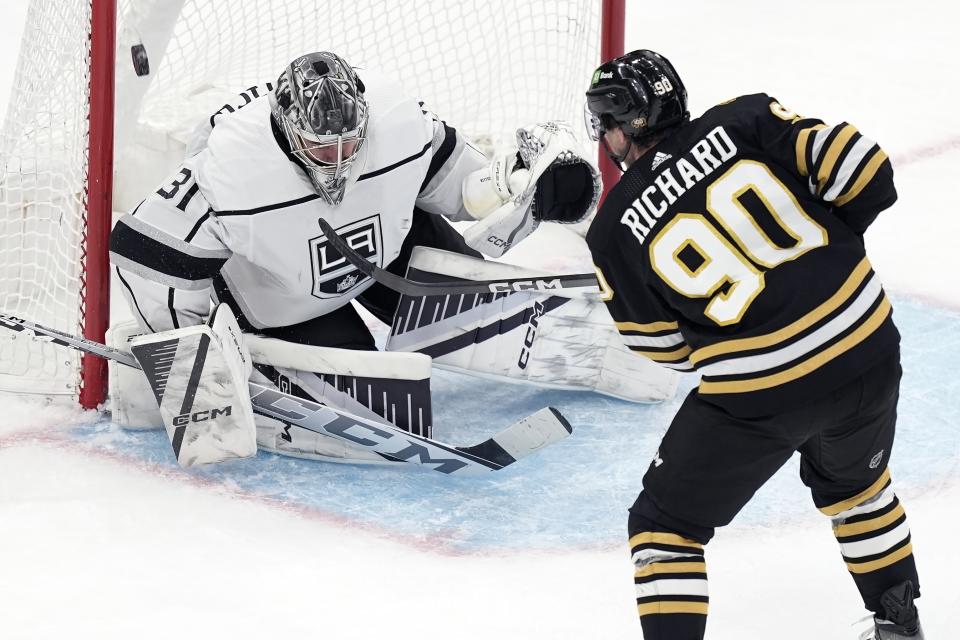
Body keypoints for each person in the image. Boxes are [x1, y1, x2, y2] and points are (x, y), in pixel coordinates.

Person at [108, 51, 669, 465]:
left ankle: (630, 353)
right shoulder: (230, 167)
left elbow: (460, 187)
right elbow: (143, 258)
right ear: (285, 129)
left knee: (475, 298)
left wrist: (519, 183)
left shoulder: (398, 118)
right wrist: (189, 360)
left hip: (390, 251)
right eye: (322, 149)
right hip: (285, 299)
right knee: (376, 412)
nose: (339, 161)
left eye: (350, 144)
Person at [583, 50, 922, 639]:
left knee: (664, 529)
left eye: (605, 121)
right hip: (869, 349)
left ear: (623, 125)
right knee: (857, 488)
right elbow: (867, 171)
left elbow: (662, 348)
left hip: (763, 395)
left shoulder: (612, 228)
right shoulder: (746, 118)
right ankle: (900, 625)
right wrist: (823, 258)